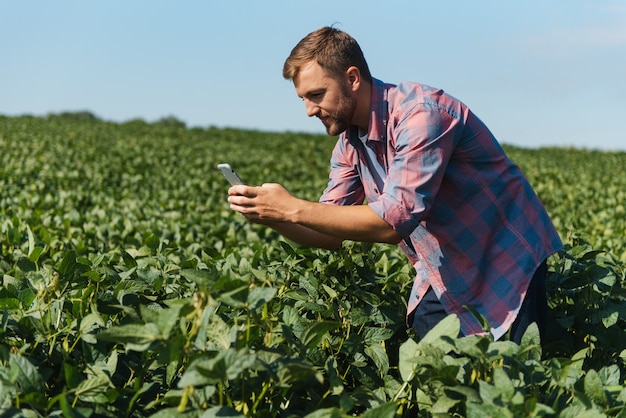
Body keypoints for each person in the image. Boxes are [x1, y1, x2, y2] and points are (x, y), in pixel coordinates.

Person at [226, 26, 563, 343]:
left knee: (512, 381)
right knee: (437, 368)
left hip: (505, 257)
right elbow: (327, 233)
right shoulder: (349, 145)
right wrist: (271, 215)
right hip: (444, 266)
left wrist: (291, 207)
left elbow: (393, 222)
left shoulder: (422, 116)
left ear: (353, 78)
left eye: (316, 95)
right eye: (302, 98)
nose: (309, 110)